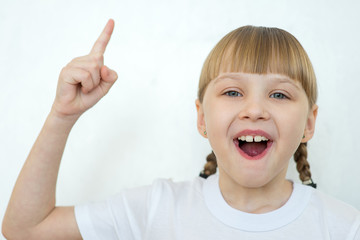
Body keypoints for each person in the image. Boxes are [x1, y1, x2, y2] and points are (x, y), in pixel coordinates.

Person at [2, 19, 360, 240]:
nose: (254, 110)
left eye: (279, 94)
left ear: (308, 124)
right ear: (202, 118)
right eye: (233, 92)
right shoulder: (156, 209)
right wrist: (62, 116)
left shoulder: (345, 228)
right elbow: (24, 229)